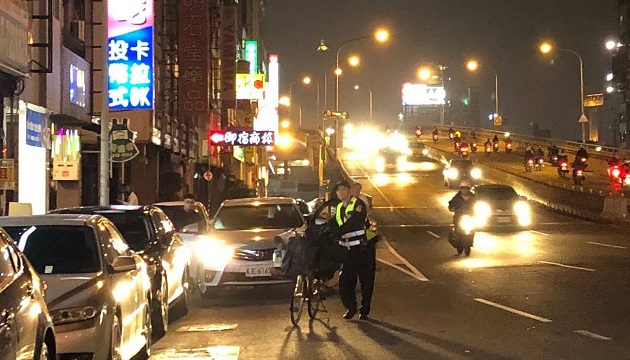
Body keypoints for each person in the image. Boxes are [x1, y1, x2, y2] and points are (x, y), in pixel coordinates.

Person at [329, 180, 372, 320]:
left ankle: (364, 309)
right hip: (347, 250)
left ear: (349, 191)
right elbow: (333, 223)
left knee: (365, 280)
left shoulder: (358, 204)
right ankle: (351, 307)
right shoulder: (339, 208)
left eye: (344, 190)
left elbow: (354, 222)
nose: (341, 193)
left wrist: (338, 231)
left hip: (362, 249)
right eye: (338, 191)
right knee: (345, 282)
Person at [448, 182, 475, 254]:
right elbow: (451, 205)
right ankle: (458, 243)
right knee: (457, 229)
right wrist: (453, 208)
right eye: (463, 188)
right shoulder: (457, 197)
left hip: (470, 216)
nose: (464, 190)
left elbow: (477, 204)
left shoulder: (473, 197)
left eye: (466, 189)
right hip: (459, 217)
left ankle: (470, 242)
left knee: (473, 228)